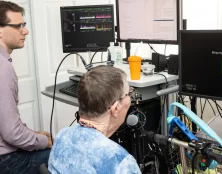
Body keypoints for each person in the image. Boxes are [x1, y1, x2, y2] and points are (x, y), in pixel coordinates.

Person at [48, 65, 141, 174]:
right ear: (116, 108)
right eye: (129, 94)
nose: (130, 97)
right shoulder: (121, 162)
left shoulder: (62, 136)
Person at [0, 1, 52, 173]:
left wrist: (34, 134)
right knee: (58, 154)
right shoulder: (3, 68)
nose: (26, 31)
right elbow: (11, 134)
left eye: (24, 25)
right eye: (18, 26)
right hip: (6, 161)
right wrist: (44, 141)